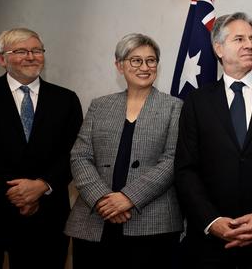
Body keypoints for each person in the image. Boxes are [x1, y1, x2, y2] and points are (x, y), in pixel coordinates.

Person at [175, 12, 252, 269]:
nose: (250, 45)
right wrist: (212, 221)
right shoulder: (197, 101)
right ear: (218, 48)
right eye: (239, 39)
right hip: (210, 241)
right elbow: (186, 169)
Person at [65, 33, 184, 269]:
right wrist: (102, 199)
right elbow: (80, 156)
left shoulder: (175, 107)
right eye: (135, 60)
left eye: (151, 60)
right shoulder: (100, 105)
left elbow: (172, 160)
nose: (145, 67)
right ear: (119, 66)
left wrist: (128, 198)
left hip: (152, 222)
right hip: (95, 219)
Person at [0, 28, 83, 268]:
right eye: (21, 51)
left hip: (46, 215)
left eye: (37, 50)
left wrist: (41, 186)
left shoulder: (66, 99)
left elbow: (76, 152)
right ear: (1, 59)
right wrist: (16, 191)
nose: (31, 56)